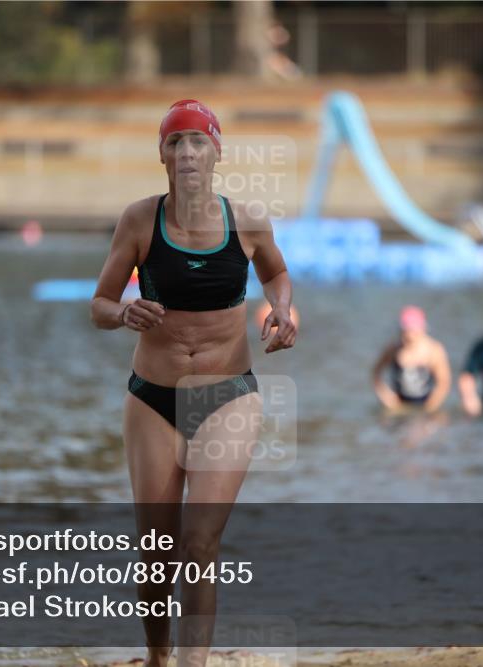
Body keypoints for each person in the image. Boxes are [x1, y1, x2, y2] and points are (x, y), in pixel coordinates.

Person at [90, 99, 296, 667]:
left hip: (228, 394)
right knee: (156, 554)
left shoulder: (247, 219)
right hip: (153, 399)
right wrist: (124, 311)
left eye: (197, 142)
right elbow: (100, 304)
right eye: (175, 143)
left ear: (216, 152)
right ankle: (158, 657)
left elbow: (275, 273)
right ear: (162, 155)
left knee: (200, 544)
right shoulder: (138, 220)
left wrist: (284, 310)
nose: (187, 153)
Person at [372, 305, 450, 412]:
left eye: (412, 332)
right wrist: (386, 396)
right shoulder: (394, 349)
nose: (409, 337)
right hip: (399, 406)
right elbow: (376, 372)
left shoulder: (434, 350)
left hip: (426, 405)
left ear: (422, 330)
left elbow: (444, 383)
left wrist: (430, 407)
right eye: (405, 332)